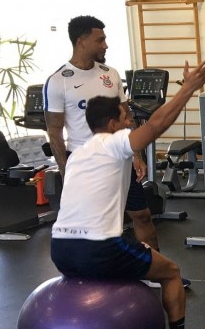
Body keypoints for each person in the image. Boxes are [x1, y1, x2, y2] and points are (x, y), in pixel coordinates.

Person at [49, 60, 205, 329]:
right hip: (98, 249)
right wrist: (188, 89)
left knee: (142, 251)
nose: (130, 123)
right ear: (112, 124)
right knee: (172, 272)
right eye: (126, 118)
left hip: (60, 251)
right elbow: (155, 126)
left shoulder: (79, 155)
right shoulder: (113, 144)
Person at [44, 15, 175, 277]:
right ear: (81, 41)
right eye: (100, 39)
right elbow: (54, 131)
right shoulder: (59, 81)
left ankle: (155, 272)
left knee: (142, 215)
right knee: (93, 223)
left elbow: (127, 119)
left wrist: (136, 154)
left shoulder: (110, 74)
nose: (105, 45)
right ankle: (91, 272)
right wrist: (64, 169)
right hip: (85, 161)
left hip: (119, 155)